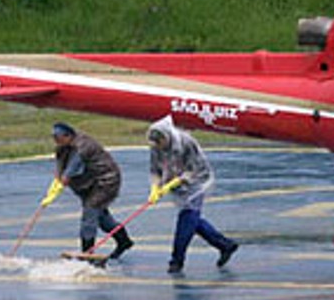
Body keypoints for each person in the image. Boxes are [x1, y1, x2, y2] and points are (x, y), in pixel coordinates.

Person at [146, 115, 239, 274]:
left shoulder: (186, 142)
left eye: (160, 143)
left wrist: (172, 183)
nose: (159, 147)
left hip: (196, 182)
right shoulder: (156, 147)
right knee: (193, 221)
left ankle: (176, 260)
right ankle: (225, 245)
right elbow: (155, 169)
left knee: (186, 219)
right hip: (177, 183)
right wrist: (155, 187)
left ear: (166, 136)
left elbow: (194, 169)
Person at [46, 121, 133, 259]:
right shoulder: (62, 147)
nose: (55, 141)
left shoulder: (83, 146)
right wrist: (55, 184)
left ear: (67, 136)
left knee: (90, 212)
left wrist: (63, 179)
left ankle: (87, 250)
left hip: (105, 181)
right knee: (102, 219)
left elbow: (72, 168)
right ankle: (123, 240)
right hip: (87, 184)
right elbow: (59, 167)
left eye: (58, 138)